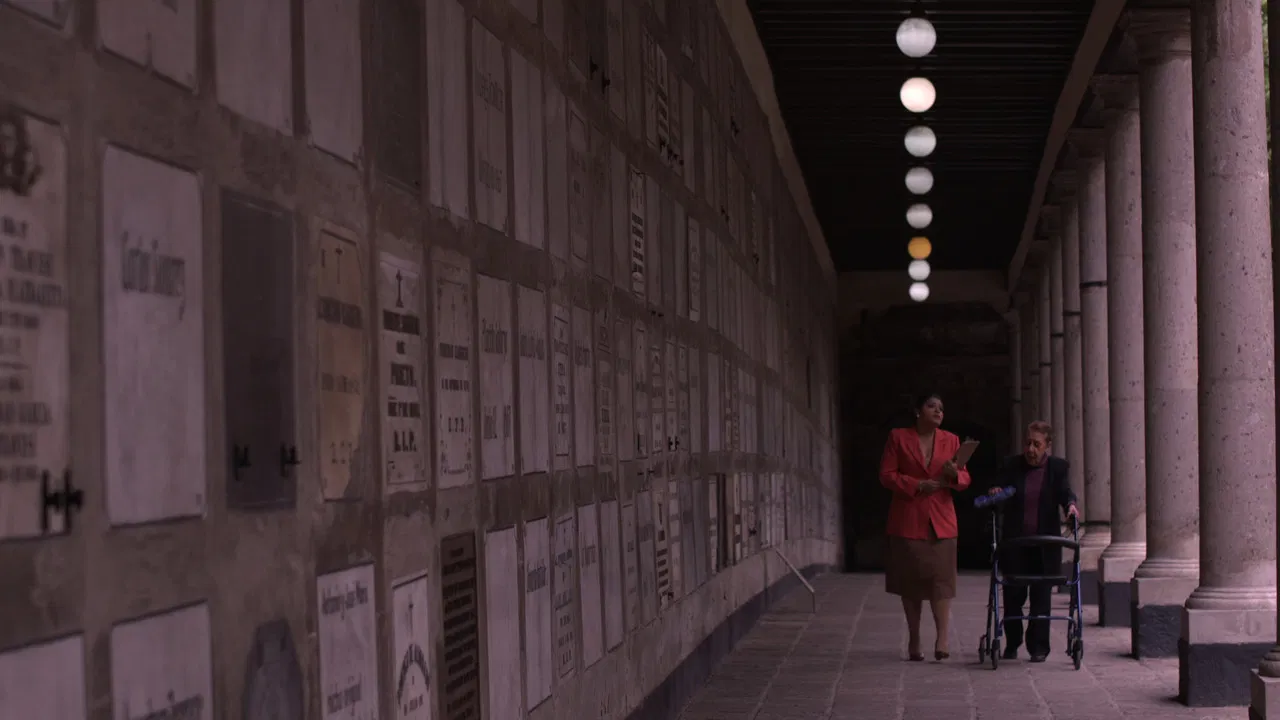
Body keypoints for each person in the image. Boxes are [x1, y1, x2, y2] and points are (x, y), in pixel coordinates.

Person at [879, 393, 971, 661]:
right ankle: (915, 637)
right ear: (918, 411)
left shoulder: (952, 440)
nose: (938, 411)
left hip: (941, 519)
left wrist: (955, 475)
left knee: (942, 580)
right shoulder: (898, 437)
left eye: (941, 408)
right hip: (908, 517)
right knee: (910, 581)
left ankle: (942, 638)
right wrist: (917, 484)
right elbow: (886, 475)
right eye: (932, 406)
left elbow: (965, 478)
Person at [987, 420, 1079, 662]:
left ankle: (1038, 647)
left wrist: (1071, 506)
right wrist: (996, 491)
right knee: (1013, 596)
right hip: (1016, 543)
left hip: (1044, 545)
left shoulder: (1057, 468)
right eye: (1027, 443)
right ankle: (1012, 642)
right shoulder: (1011, 465)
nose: (1030, 449)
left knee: (1041, 598)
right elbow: (998, 488)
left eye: (1036, 444)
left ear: (1047, 445)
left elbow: (1065, 492)